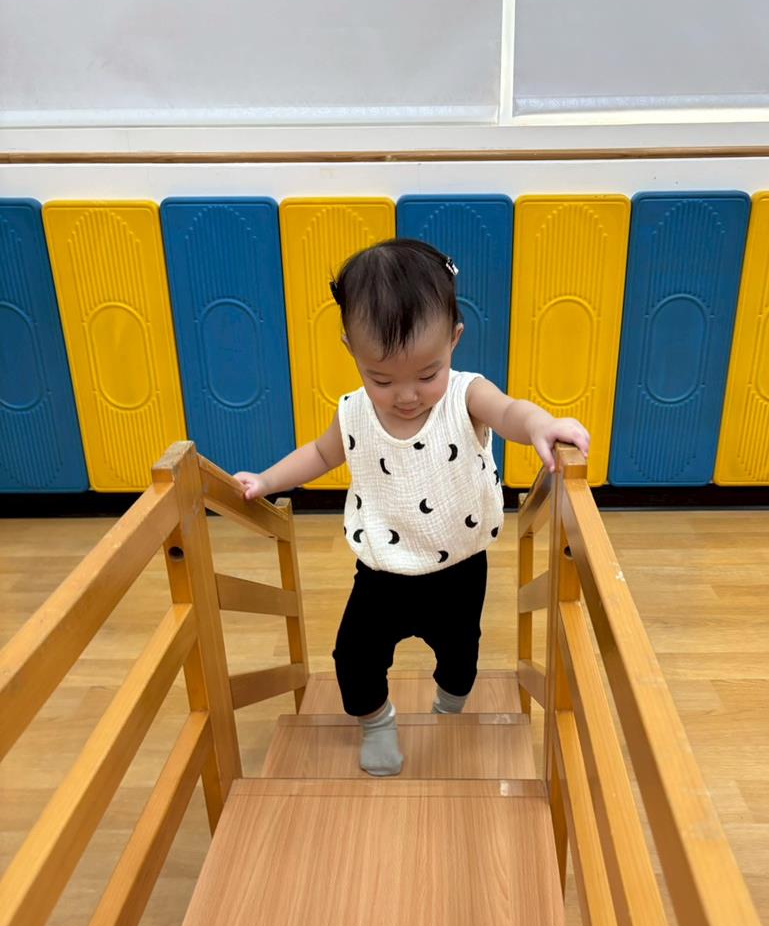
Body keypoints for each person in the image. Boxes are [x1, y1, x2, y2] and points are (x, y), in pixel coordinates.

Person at [235, 238, 590, 777]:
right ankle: (376, 722)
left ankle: (448, 707)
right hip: (381, 573)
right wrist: (266, 480)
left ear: (454, 339)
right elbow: (320, 454)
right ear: (352, 352)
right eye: (381, 378)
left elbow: (510, 412)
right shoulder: (353, 412)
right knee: (353, 658)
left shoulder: (465, 396)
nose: (406, 395)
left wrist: (541, 425)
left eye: (427, 373)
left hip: (460, 570)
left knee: (460, 660)